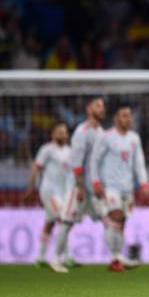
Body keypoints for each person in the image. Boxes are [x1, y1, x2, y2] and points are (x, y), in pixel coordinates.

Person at [90, 105, 149, 272]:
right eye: (124, 115)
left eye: (129, 115)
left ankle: (116, 259)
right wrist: (95, 182)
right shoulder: (106, 137)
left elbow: (139, 162)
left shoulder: (134, 138)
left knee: (121, 221)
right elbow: (95, 160)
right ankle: (116, 256)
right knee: (116, 216)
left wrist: (144, 183)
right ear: (116, 118)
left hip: (127, 187)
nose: (128, 119)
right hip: (110, 186)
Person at [53, 96, 107, 273]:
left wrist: (100, 184)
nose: (102, 109)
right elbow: (76, 163)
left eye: (103, 106)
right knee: (67, 222)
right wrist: (80, 187)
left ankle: (116, 257)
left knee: (107, 219)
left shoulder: (100, 132)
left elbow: (97, 163)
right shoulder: (82, 132)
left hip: (93, 188)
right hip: (78, 187)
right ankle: (56, 260)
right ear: (88, 109)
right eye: (98, 106)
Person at [23, 123, 71, 270]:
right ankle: (65, 257)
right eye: (59, 132)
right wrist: (31, 187)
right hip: (49, 191)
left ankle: (40, 257)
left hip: (63, 193)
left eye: (65, 132)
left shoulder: (70, 151)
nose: (62, 134)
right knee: (64, 219)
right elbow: (35, 168)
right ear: (53, 134)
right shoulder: (47, 149)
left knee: (50, 222)